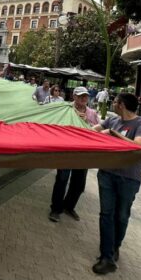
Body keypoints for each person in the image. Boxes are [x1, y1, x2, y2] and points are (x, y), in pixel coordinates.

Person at [91, 93, 141, 274]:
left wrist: (114, 134)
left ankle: (115, 246)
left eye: (115, 102)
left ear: (122, 105)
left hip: (129, 178)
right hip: (107, 174)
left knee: (121, 216)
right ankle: (106, 256)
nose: (113, 104)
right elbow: (94, 129)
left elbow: (138, 146)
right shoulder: (112, 120)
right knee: (106, 214)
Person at [49, 87, 99, 222]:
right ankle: (55, 209)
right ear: (74, 97)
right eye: (80, 96)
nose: (83, 98)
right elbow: (58, 126)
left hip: (84, 153)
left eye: (85, 96)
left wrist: (87, 122)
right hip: (67, 151)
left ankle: (69, 206)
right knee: (62, 179)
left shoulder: (92, 113)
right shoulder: (66, 109)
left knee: (79, 183)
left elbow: (98, 131)